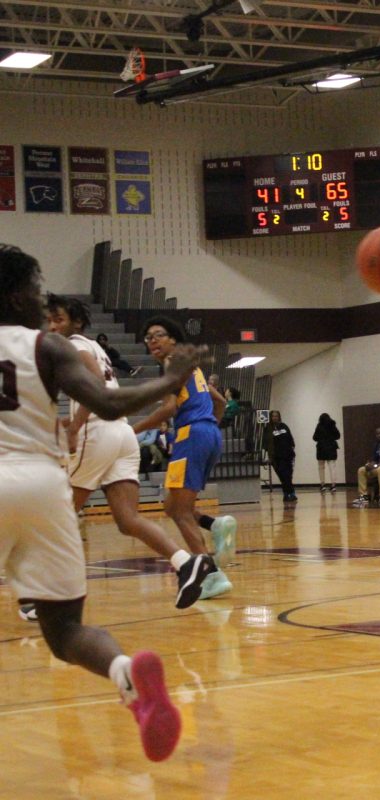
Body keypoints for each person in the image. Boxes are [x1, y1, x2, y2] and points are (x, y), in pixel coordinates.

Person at [0, 245, 193, 760]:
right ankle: (124, 673)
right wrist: (173, 379)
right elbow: (106, 403)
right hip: (43, 487)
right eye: (38, 293)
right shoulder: (48, 348)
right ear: (17, 295)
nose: (44, 304)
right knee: (65, 631)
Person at [41, 295, 217, 617]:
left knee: (60, 515)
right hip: (121, 435)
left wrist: (75, 426)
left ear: (76, 322)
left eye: (59, 320)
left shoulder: (73, 347)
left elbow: (95, 385)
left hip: (98, 432)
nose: (52, 326)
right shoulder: (94, 347)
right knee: (128, 520)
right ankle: (186, 564)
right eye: (48, 320)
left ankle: (50, 596)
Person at [132, 316, 236, 600]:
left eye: (158, 335)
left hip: (191, 435)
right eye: (148, 337)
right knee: (172, 505)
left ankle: (212, 575)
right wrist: (209, 427)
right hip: (209, 434)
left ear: (173, 340)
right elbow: (221, 402)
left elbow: (167, 410)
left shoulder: (171, 365)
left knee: (178, 511)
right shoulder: (193, 367)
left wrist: (134, 429)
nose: (152, 341)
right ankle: (215, 525)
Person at [266, 410, 296, 502]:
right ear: (270, 417)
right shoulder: (268, 428)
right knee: (283, 476)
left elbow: (290, 439)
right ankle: (288, 493)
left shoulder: (284, 426)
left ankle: (289, 494)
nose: (275, 417)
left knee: (288, 475)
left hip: (288, 455)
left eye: (276, 416)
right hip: (277, 457)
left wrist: (292, 449)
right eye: (273, 416)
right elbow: (267, 443)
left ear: (279, 417)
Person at [313, 412, 340, 492]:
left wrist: (321, 439)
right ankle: (333, 485)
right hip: (331, 448)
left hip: (321, 448)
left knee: (321, 467)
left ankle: (322, 485)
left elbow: (314, 437)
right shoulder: (332, 425)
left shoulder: (319, 426)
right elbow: (338, 436)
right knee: (332, 467)